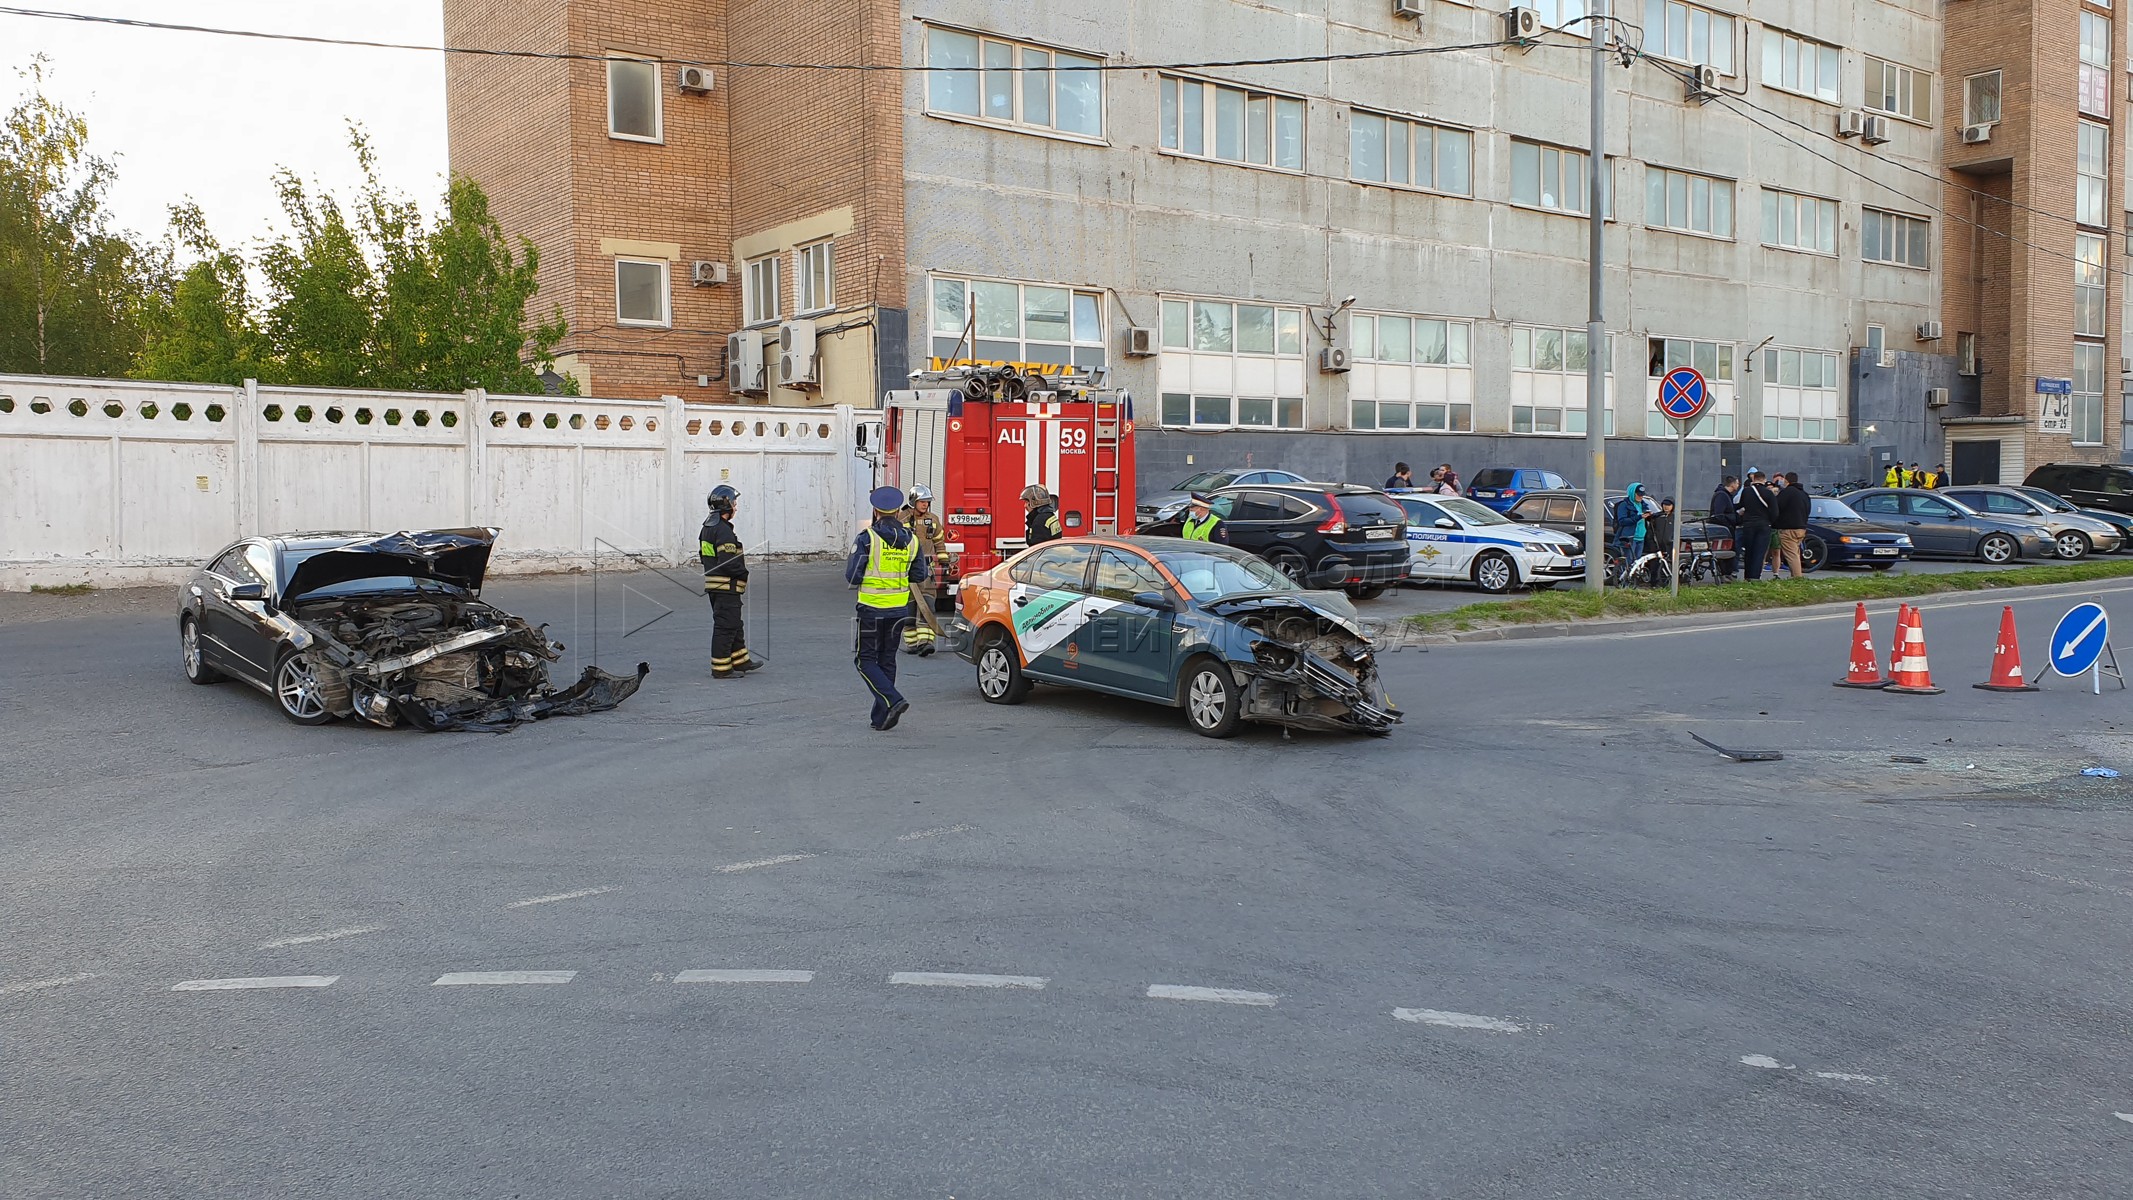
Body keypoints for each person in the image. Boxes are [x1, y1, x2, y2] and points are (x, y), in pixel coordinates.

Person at [848, 485, 929, 731]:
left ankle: (893, 700)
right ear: (897, 511)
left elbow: (853, 576)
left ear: (876, 511)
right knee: (887, 660)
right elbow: (919, 575)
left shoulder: (867, 538)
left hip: (871, 609)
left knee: (864, 661)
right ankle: (881, 718)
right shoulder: (912, 540)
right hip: (898, 610)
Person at [699, 485, 759, 679]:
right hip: (727, 586)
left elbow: (705, 557)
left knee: (734, 623)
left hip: (716, 586)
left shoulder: (707, 528)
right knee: (725, 626)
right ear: (726, 505)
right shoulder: (723, 531)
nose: (735, 507)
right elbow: (728, 562)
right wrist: (743, 573)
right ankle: (721, 668)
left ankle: (740, 660)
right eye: (734, 503)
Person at [899, 484, 946, 656]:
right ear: (913, 501)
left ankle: (925, 642)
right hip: (906, 571)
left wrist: (944, 560)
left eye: (927, 502)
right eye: (922, 501)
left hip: (926, 571)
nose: (925, 504)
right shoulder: (901, 519)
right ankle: (912, 643)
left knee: (928, 605)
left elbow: (939, 541)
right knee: (909, 609)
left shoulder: (932, 519)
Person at [1735, 469, 1776, 582]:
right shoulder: (1768, 493)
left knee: (1749, 551)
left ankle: (1747, 575)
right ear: (1764, 480)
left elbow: (1741, 505)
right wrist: (1770, 522)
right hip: (1763, 525)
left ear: (1754, 479)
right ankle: (1755, 576)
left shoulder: (1746, 491)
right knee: (1759, 551)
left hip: (1748, 525)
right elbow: (1775, 512)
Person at [1775, 471, 1811, 579]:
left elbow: (1776, 506)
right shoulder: (1804, 494)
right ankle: (1795, 576)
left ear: (1786, 480)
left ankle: (1797, 578)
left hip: (1788, 528)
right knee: (1795, 553)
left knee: (1791, 555)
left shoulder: (1787, 492)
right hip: (1801, 528)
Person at [1708, 475, 1741, 581]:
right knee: (1725, 551)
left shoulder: (1726, 495)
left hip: (1727, 528)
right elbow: (1719, 514)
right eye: (1737, 483)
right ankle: (1724, 573)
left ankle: (1727, 573)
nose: (1738, 485)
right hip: (1723, 529)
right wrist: (1730, 520)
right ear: (1732, 484)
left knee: (1731, 550)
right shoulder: (1722, 495)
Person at [1611, 482, 1650, 569]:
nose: (1641, 497)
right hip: (1630, 538)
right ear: (1632, 493)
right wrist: (1639, 517)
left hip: (1641, 537)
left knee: (1637, 562)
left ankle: (1634, 576)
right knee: (1629, 561)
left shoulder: (1643, 505)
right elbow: (1622, 521)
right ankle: (1624, 576)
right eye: (1638, 494)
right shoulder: (1624, 505)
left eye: (1642, 495)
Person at [1646, 497, 1677, 562]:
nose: (1666, 507)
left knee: (1669, 563)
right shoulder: (1657, 516)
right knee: (1655, 564)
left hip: (1669, 547)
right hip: (1656, 547)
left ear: (1673, 506)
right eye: (1664, 505)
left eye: (1668, 505)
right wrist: (1651, 542)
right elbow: (1650, 531)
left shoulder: (1675, 518)